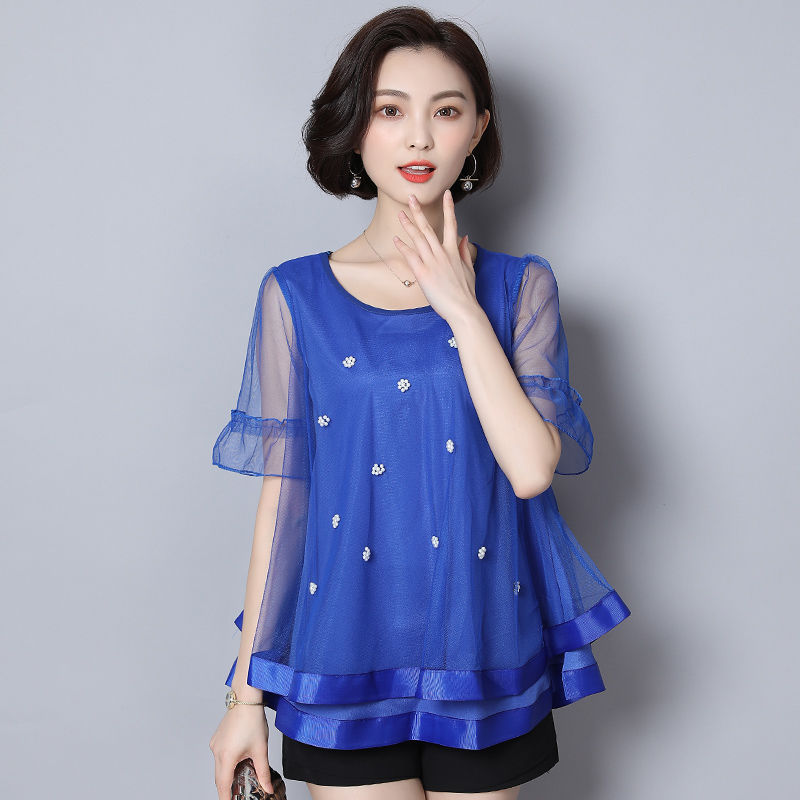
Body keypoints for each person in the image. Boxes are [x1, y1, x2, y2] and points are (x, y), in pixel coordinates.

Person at [209, 7, 631, 799]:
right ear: (355, 129)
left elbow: (531, 467)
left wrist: (461, 308)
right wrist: (245, 700)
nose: (418, 138)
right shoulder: (295, 294)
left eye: (446, 111)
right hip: (339, 656)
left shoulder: (519, 287)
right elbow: (282, 509)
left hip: (485, 655)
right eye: (390, 110)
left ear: (478, 130)